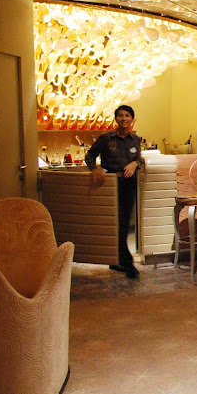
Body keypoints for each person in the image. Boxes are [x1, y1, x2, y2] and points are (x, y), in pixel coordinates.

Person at [85, 105, 141, 279]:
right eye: (120, 116)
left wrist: (135, 163)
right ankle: (127, 262)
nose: (124, 118)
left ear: (132, 119)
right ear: (116, 119)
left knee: (124, 222)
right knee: (118, 223)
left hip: (129, 184)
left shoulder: (135, 139)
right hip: (110, 184)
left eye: (127, 116)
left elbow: (138, 158)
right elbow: (90, 155)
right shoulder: (106, 138)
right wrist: (95, 169)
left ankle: (117, 260)